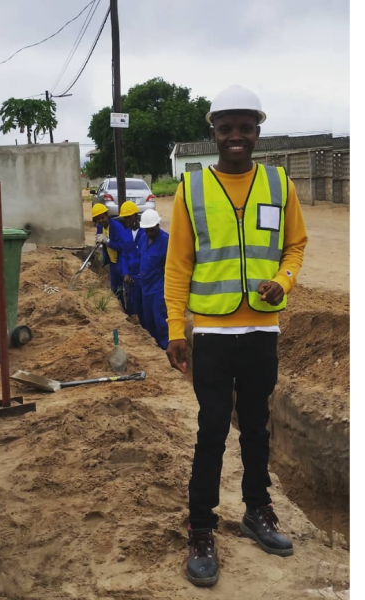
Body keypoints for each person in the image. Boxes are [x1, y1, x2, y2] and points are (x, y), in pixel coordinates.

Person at [164, 85, 308, 587]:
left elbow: (295, 245)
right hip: (212, 331)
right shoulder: (192, 188)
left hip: (261, 330)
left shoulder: (279, 184)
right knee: (211, 430)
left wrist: (284, 280)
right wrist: (174, 327)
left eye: (245, 127)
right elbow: (178, 263)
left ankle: (257, 510)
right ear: (214, 132)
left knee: (256, 427)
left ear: (257, 132)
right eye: (226, 128)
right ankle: (201, 528)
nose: (236, 136)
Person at [138, 209, 169, 350]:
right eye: (146, 230)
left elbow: (171, 267)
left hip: (158, 289)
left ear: (157, 225)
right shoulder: (143, 238)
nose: (148, 232)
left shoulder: (166, 240)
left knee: (161, 321)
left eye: (151, 229)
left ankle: (165, 348)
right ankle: (153, 348)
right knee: (148, 320)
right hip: (145, 287)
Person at [92, 203, 130, 308]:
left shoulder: (117, 227)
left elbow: (123, 246)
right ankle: (121, 310)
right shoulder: (100, 226)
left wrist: (107, 241)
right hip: (113, 262)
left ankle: (130, 311)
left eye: (102, 217)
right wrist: (98, 240)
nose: (101, 220)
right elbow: (99, 237)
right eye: (98, 219)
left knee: (127, 289)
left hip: (122, 261)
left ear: (107, 215)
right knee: (115, 290)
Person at [119, 201, 145, 326]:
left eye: (129, 217)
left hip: (144, 275)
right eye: (125, 218)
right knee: (135, 304)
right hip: (132, 277)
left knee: (147, 306)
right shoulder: (126, 234)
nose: (127, 220)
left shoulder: (145, 232)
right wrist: (126, 273)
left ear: (135, 216)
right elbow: (124, 255)